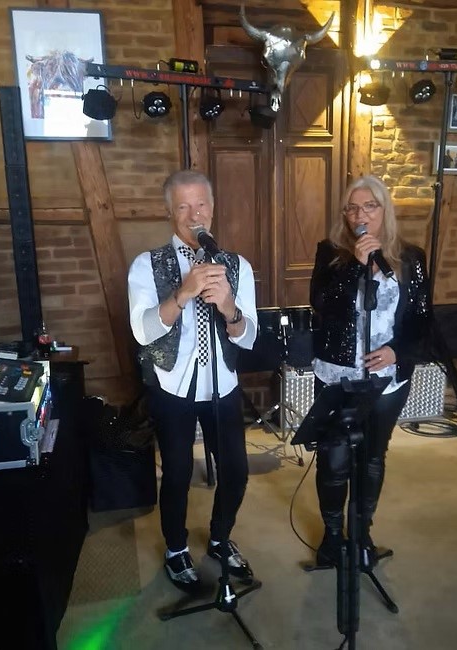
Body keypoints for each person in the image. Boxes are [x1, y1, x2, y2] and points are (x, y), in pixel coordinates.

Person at [128, 169, 258, 593]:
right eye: (182, 206)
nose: (193, 214)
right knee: (178, 472)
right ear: (170, 211)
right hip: (172, 384)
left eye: (200, 204)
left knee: (236, 470)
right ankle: (175, 548)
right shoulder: (146, 264)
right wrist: (182, 294)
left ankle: (219, 538)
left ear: (213, 209)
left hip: (222, 384)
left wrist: (230, 308)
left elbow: (249, 336)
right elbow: (143, 331)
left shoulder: (236, 265)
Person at [309, 174, 431, 570]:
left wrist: (397, 352)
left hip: (388, 381)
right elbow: (321, 304)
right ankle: (332, 538)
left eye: (369, 207)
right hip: (338, 377)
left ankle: (362, 535)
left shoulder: (410, 258)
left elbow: (420, 320)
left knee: (372, 458)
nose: (359, 215)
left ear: (384, 210)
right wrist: (355, 267)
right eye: (352, 208)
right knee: (334, 460)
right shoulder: (331, 253)